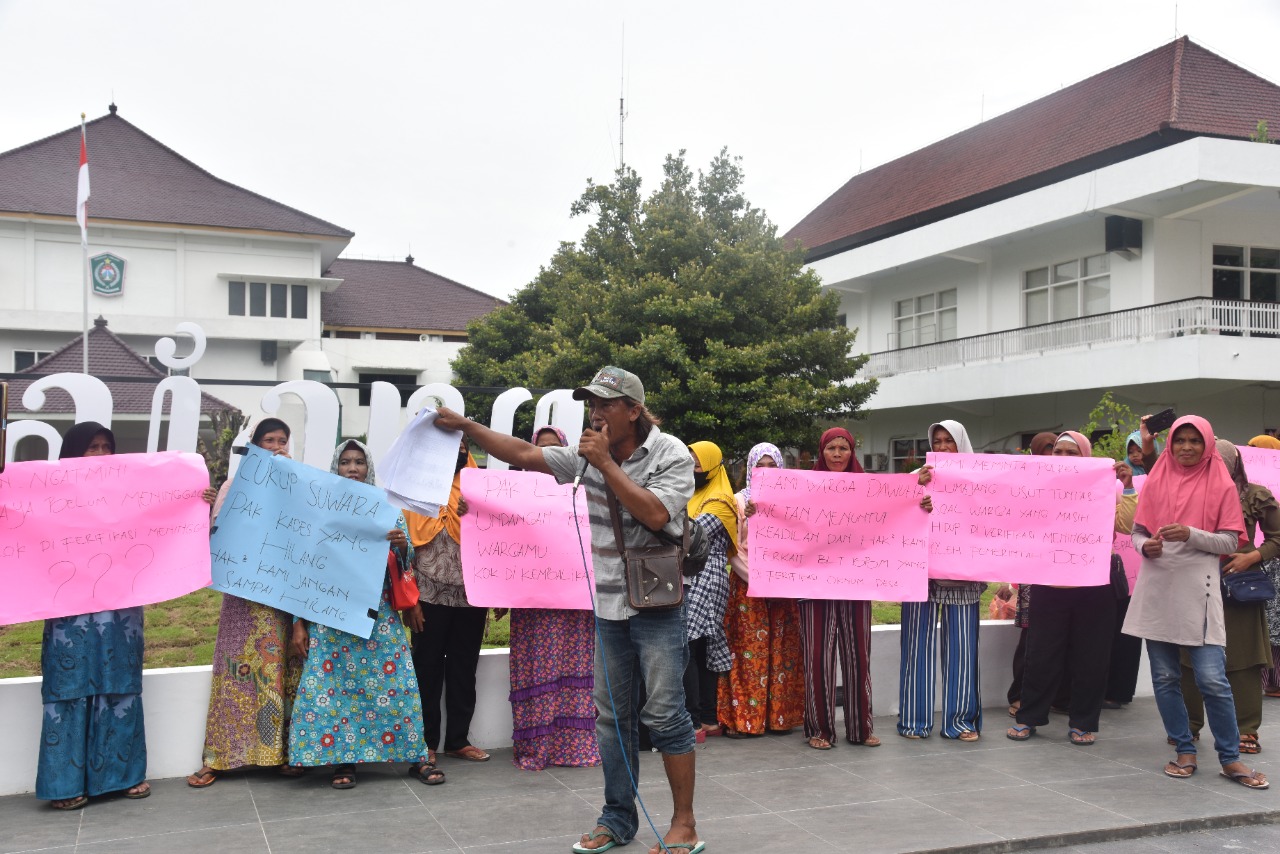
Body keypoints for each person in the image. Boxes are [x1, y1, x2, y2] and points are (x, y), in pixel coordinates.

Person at [433, 365, 699, 854]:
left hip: (657, 608)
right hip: (608, 607)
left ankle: (684, 822)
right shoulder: (585, 454)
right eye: (591, 404)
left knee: (665, 715)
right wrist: (467, 427)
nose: (594, 414)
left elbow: (657, 514)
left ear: (634, 411)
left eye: (605, 405)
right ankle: (617, 819)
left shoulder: (669, 452)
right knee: (610, 718)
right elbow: (527, 453)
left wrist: (606, 465)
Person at [1122, 415, 1267, 789]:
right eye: (1180, 440)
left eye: (1194, 441)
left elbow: (1229, 542)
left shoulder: (1220, 483)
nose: (1186, 447)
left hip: (1198, 590)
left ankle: (1230, 758)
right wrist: (1145, 547)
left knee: (1212, 679)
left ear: (1206, 445)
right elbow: (1138, 531)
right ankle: (1184, 749)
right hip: (1156, 588)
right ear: (1171, 445)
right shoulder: (1157, 479)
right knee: (1166, 677)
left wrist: (1190, 533)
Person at [282, 440, 433, 787]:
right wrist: (299, 624)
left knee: (397, 685)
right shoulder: (320, 509)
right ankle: (343, 762)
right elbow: (304, 568)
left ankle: (415, 754)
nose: (353, 468)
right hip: (332, 616)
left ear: (369, 468)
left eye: (359, 462)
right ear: (335, 467)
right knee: (335, 690)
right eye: (346, 461)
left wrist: (400, 546)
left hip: (377, 617)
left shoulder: (385, 507)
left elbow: (406, 561)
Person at [36, 423, 152, 809]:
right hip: (68, 606)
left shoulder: (131, 496)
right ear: (72, 453)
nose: (100, 454)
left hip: (120, 607)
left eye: (107, 446)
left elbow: (162, 520)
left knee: (120, 686)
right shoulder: (46, 496)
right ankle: (64, 785)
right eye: (91, 447)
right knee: (68, 688)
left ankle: (121, 777)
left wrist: (196, 499)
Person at [189, 418, 302, 788]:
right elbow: (216, 537)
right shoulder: (232, 486)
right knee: (237, 673)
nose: (275, 446)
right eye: (268, 440)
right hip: (243, 597)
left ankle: (285, 753)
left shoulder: (300, 484)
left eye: (282, 440)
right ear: (253, 445)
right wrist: (206, 506)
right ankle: (220, 757)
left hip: (283, 595)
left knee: (283, 669)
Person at [1007, 432, 1135, 745]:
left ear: (1086, 457)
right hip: (1049, 585)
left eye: (1072, 453)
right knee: (1040, 655)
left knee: (1091, 657)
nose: (1063, 458)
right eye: (1058, 452)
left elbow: (1126, 525)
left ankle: (1083, 722)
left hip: (1094, 586)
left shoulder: (1107, 486)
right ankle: (1029, 717)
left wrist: (1128, 486)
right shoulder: (1037, 488)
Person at [507, 426, 601, 771]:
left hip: (575, 601)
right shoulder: (513, 496)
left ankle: (574, 748)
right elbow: (497, 545)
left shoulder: (585, 491)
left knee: (575, 668)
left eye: (554, 452)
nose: (545, 460)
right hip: (533, 603)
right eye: (539, 452)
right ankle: (536, 749)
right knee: (536, 672)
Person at [1180, 440, 1277, 756]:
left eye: (1223, 463)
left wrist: (1253, 557)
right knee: (1189, 655)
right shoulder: (1186, 492)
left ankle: (1246, 729)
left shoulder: (1254, 495)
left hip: (1239, 586)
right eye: (1212, 462)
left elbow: (1278, 538)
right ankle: (1188, 726)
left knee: (1244, 657)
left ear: (1235, 465)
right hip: (1194, 582)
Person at [405, 439, 491, 763]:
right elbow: (404, 550)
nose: (456, 451)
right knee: (426, 667)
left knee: (463, 667)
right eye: (448, 445)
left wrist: (476, 513)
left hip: (472, 595)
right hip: (426, 594)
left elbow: (496, 538)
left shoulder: (477, 488)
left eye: (462, 445)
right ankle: (425, 742)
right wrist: (410, 600)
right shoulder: (415, 490)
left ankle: (458, 739)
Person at [903, 420, 985, 741]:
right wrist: (915, 490)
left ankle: (961, 722)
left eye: (948, 441)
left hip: (962, 580)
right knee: (916, 650)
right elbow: (890, 504)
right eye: (936, 441)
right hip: (919, 578)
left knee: (963, 653)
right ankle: (914, 721)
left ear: (960, 443)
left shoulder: (981, 480)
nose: (941, 447)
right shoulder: (919, 477)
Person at [798, 427, 878, 750]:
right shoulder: (803, 488)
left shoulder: (869, 488)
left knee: (859, 656)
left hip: (856, 586)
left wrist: (919, 505)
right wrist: (758, 512)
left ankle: (861, 728)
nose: (836, 454)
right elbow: (784, 519)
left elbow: (890, 519)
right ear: (821, 452)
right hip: (815, 588)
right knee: (818, 658)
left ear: (852, 451)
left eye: (843, 448)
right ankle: (821, 729)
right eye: (830, 448)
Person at [718, 442, 804, 737]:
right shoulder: (739, 502)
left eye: (772, 466)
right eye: (760, 466)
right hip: (747, 587)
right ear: (750, 469)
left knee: (782, 652)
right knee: (747, 654)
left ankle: (779, 717)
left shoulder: (793, 502)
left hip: (782, 589)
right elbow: (732, 548)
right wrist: (757, 578)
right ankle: (747, 720)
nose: (766, 472)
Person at [682, 441, 737, 738]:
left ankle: (695, 720)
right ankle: (707, 719)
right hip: (687, 576)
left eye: (699, 462)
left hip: (708, 576)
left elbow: (691, 533)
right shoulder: (690, 494)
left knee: (690, 644)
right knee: (699, 646)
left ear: (714, 465)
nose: (694, 467)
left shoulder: (720, 500)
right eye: (690, 461)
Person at [1005, 431, 1058, 717]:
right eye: (1048, 450)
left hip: (1061, 573)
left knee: (1056, 639)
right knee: (1030, 639)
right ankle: (1019, 695)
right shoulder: (1023, 484)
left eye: (1058, 451)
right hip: (1031, 572)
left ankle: (1052, 695)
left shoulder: (1070, 484)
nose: (1052, 457)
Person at [1249, 435, 1280, 699]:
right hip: (1261, 562)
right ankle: (1265, 680)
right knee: (1266, 623)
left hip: (1275, 559)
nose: (1251, 454)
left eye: (1256, 450)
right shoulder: (1249, 490)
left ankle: (1277, 680)